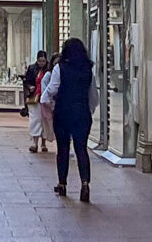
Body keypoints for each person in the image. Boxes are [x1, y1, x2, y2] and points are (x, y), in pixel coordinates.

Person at [42, 37, 98, 201]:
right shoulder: (88, 70)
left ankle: (62, 183)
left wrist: (46, 101)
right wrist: (88, 110)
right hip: (82, 113)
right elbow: (93, 96)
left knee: (63, 149)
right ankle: (85, 183)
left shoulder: (60, 68)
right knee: (81, 149)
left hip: (63, 113)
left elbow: (52, 89)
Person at [21, 49, 51, 153]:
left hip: (45, 99)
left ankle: (43, 143)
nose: (41, 63)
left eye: (43, 61)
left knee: (44, 121)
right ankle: (34, 142)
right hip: (34, 98)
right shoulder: (32, 68)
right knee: (35, 120)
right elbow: (27, 82)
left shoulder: (49, 70)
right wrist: (30, 87)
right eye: (40, 61)